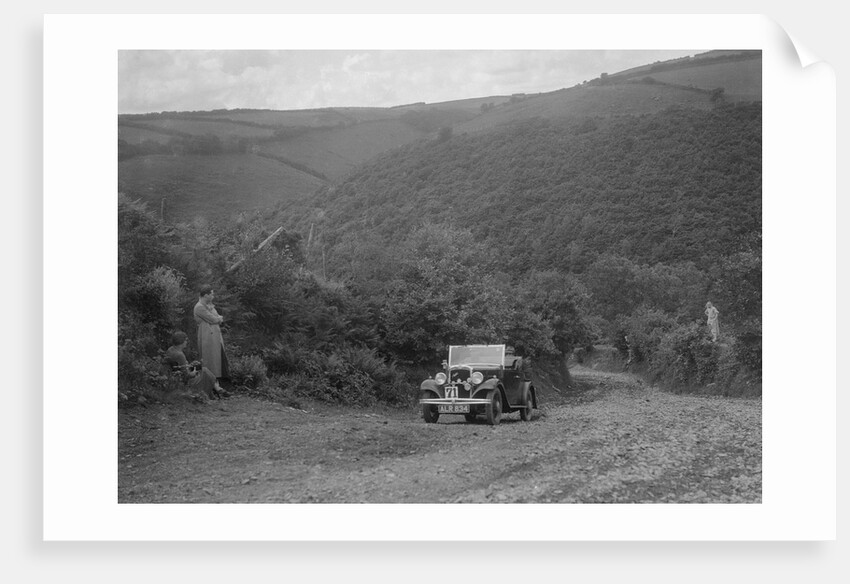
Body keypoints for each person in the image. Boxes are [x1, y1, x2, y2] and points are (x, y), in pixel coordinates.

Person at [164, 331, 227, 400]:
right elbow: (186, 375)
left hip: (175, 377)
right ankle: (216, 389)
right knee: (205, 372)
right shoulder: (180, 355)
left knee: (204, 370)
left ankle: (216, 390)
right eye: (185, 340)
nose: (186, 342)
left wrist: (190, 365)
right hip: (185, 382)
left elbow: (179, 367)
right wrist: (194, 373)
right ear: (181, 342)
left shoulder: (170, 349)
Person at [194, 285, 230, 381]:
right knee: (209, 357)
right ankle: (211, 381)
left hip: (215, 335)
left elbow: (217, 317)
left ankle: (219, 379)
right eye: (212, 294)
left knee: (217, 356)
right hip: (207, 335)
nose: (213, 297)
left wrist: (217, 318)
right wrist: (218, 319)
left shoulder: (209, 305)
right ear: (206, 295)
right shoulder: (199, 307)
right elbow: (213, 319)